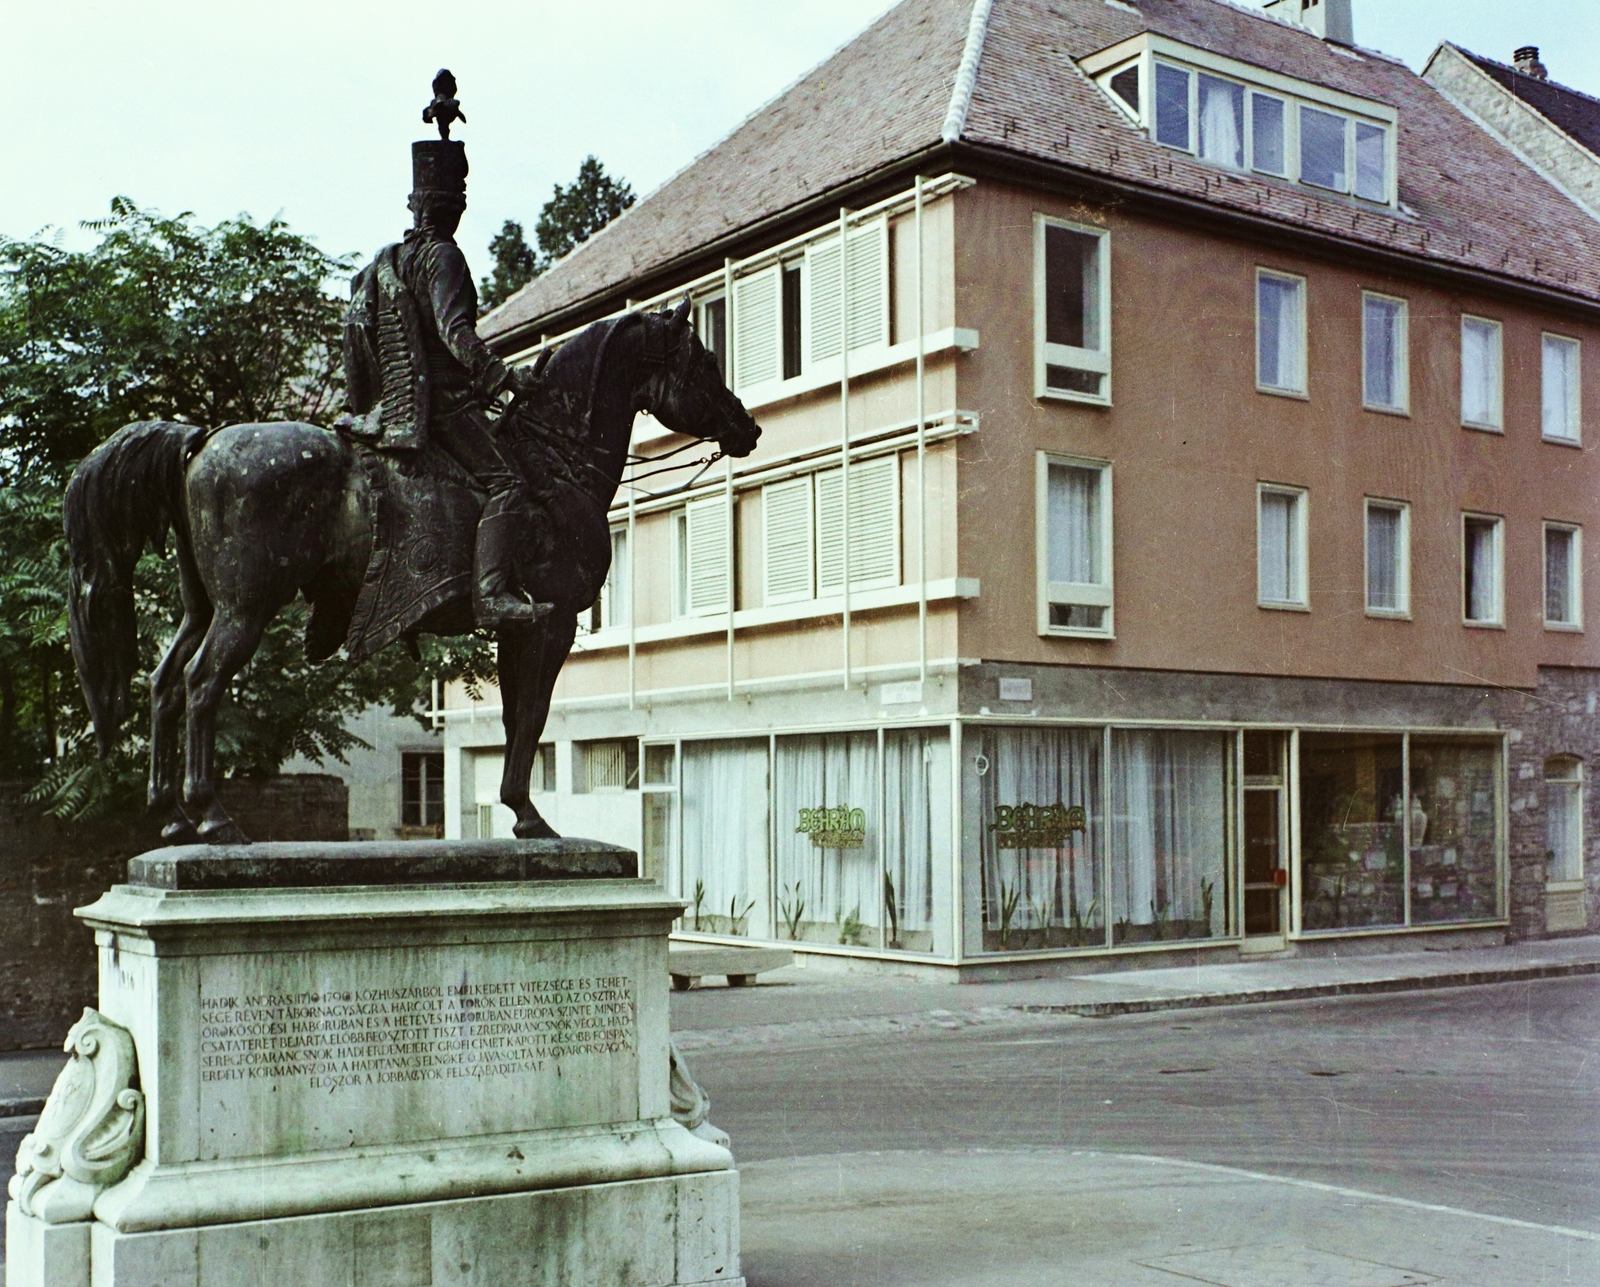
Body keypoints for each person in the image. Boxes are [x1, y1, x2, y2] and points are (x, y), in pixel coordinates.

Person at [343, 74, 548, 628]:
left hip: (396, 405)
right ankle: (492, 595)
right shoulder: (443, 258)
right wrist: (505, 379)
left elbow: (359, 336)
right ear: (449, 206)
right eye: (458, 201)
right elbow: (457, 336)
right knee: (510, 481)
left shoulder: (386, 260)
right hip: (447, 406)